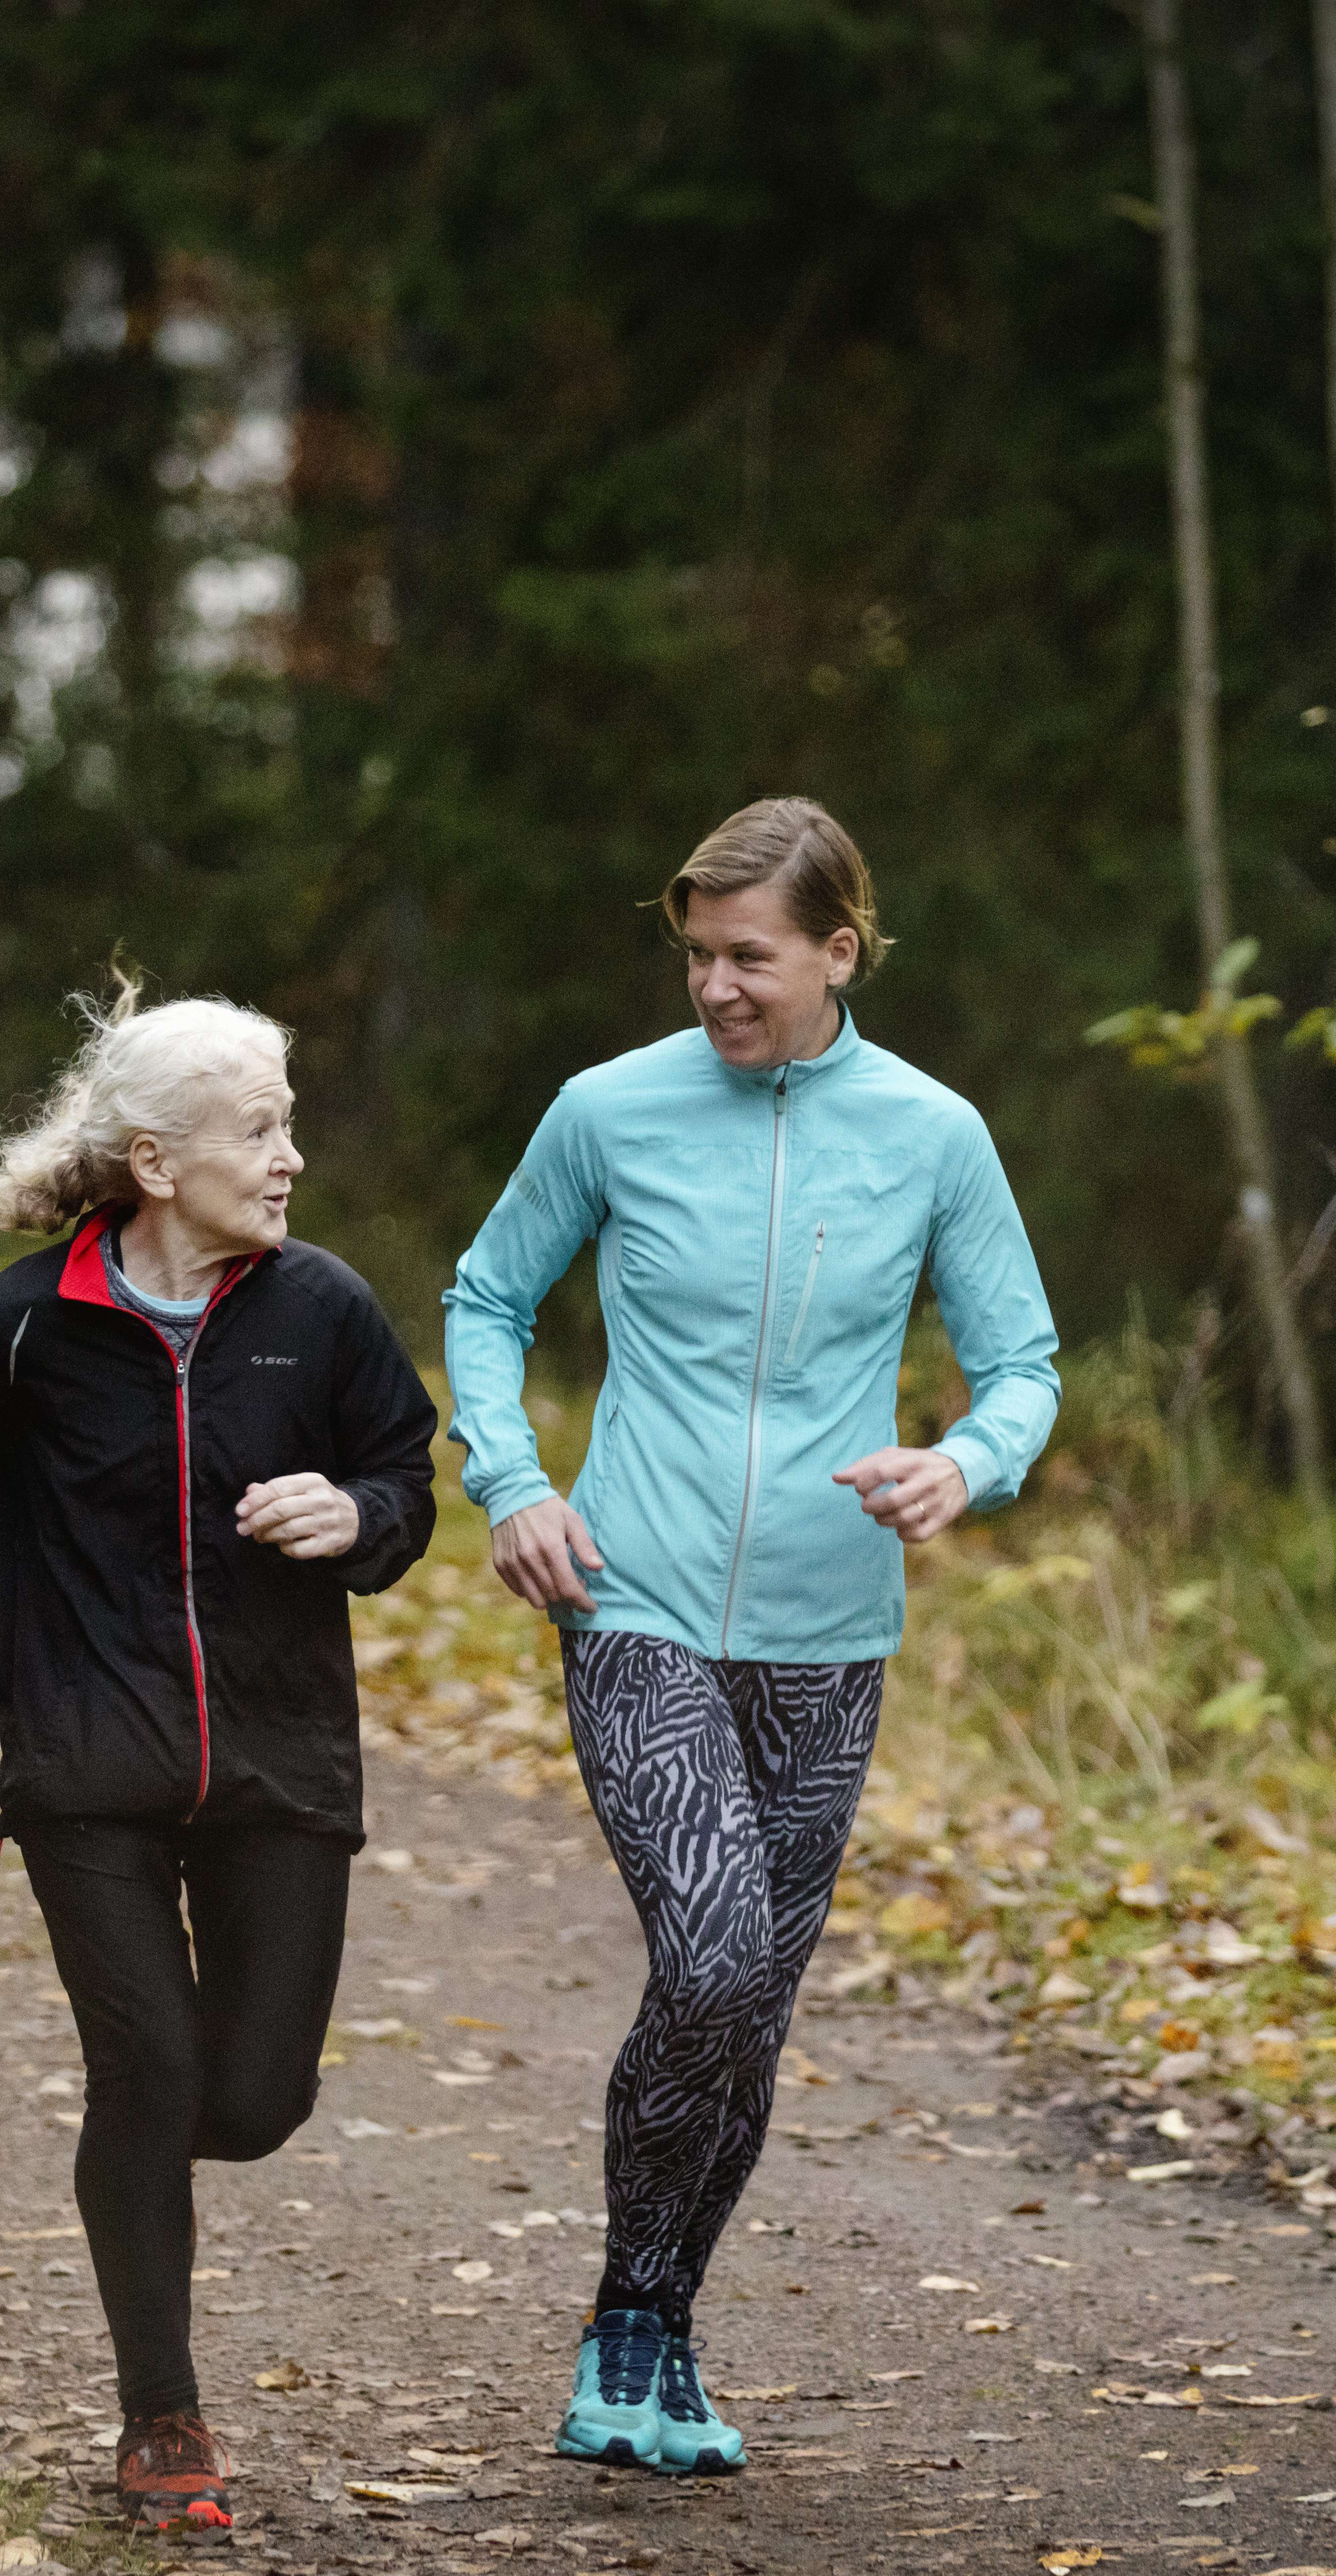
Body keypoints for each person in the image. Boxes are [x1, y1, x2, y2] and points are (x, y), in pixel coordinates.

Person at [442, 798, 1060, 2478]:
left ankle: (659, 2323)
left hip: (827, 1633)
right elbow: (484, 1298)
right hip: (624, 1594)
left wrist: (961, 1461)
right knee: (710, 1958)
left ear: (836, 953)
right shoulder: (608, 1110)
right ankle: (628, 2318)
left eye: (747, 957)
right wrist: (509, 1480)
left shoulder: (933, 1136)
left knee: (750, 2012)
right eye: (694, 956)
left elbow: (1023, 1368)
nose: (713, 987)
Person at [0, 985, 438, 2533]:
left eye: (292, 1121)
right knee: (147, 2068)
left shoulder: (322, 1311)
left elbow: (405, 1475)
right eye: (259, 1128)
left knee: (256, 2098)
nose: (291, 1158)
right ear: (155, 1160)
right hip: (88, 1777)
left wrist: (357, 1520)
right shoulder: (30, 1321)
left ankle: (137, 2154)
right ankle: (165, 2420)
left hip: (282, 1768)